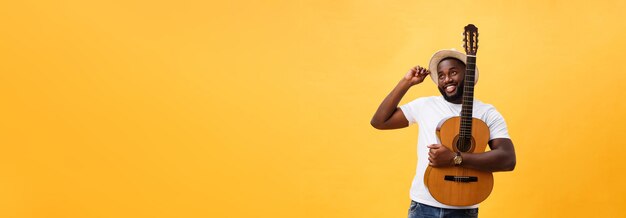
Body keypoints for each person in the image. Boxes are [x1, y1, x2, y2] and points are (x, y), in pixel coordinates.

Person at [370, 49, 516, 218]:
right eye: (441, 75)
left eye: (453, 72)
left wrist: (455, 157)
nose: (447, 79)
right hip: (423, 207)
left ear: (468, 75)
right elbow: (379, 121)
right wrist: (406, 82)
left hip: (465, 209)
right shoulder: (425, 105)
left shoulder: (487, 113)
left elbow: (508, 159)